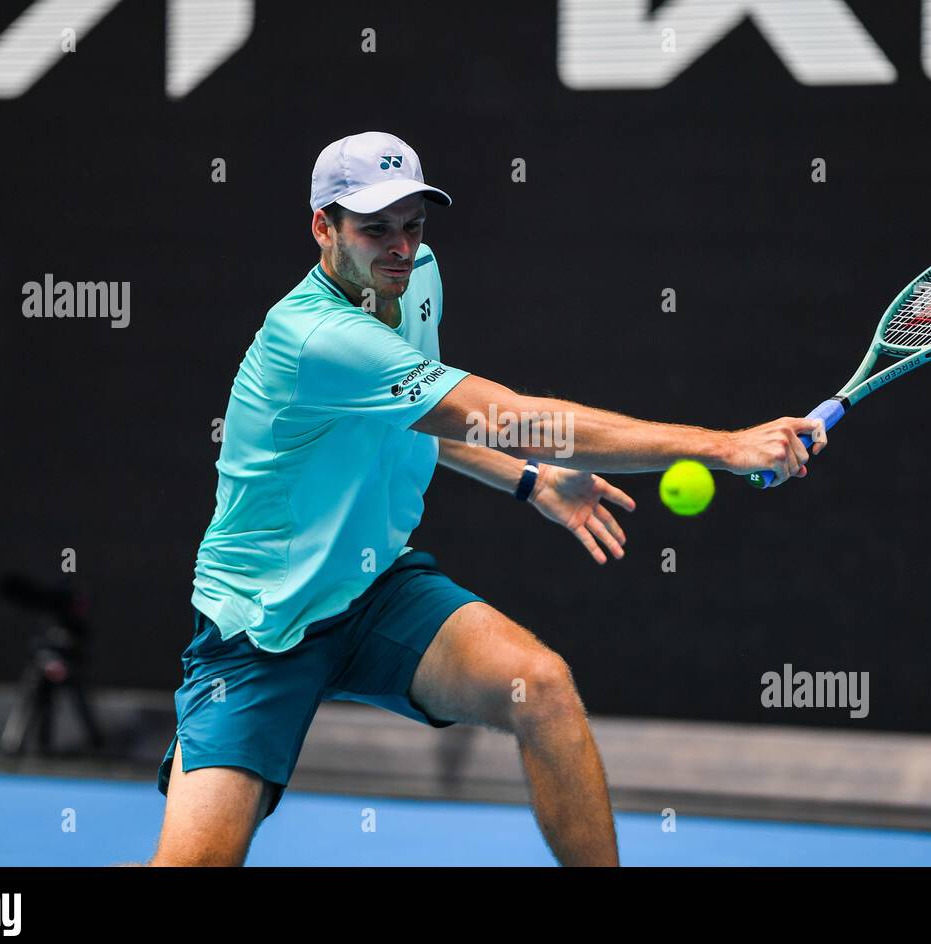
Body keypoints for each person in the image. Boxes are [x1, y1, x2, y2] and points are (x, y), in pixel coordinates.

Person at [149, 131, 825, 867]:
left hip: (374, 588)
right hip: (259, 623)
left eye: (412, 225)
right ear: (323, 227)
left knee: (542, 687)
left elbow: (422, 417)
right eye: (374, 229)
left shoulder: (415, 278)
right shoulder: (314, 338)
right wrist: (722, 446)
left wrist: (528, 479)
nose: (399, 247)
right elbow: (513, 416)